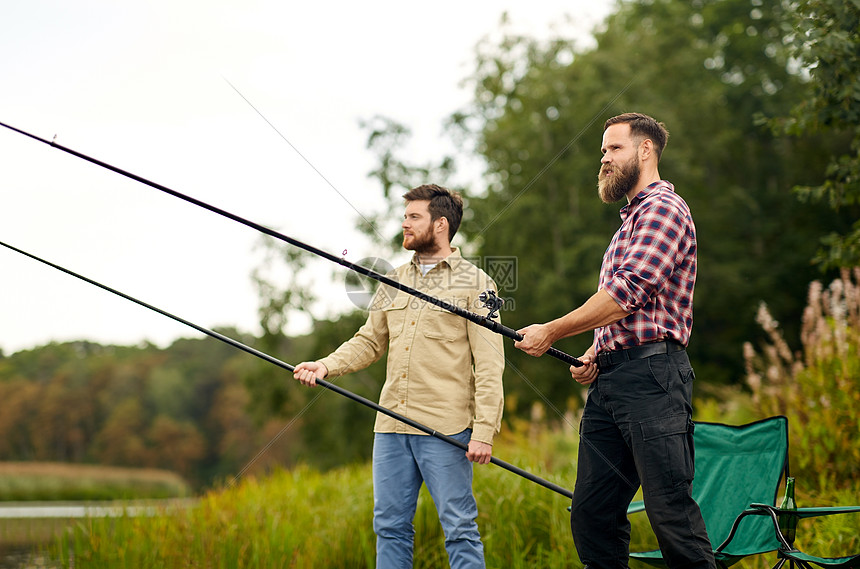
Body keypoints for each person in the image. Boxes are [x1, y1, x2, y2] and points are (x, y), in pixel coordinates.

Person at [514, 112, 716, 569]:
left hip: (653, 381)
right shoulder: (628, 223)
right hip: (612, 384)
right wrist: (593, 351)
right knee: (592, 514)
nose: (604, 159)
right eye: (602, 151)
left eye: (614, 148)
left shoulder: (664, 208)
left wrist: (552, 330)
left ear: (645, 150)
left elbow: (629, 292)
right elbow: (626, 312)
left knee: (670, 516)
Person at [293, 184, 505, 569]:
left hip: (447, 427)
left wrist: (484, 431)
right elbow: (369, 342)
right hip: (391, 425)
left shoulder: (478, 284)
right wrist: (325, 365)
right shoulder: (392, 280)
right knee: (389, 527)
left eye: (413, 217)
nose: (403, 223)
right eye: (405, 216)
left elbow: (490, 364)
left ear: (440, 225)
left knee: (459, 528)